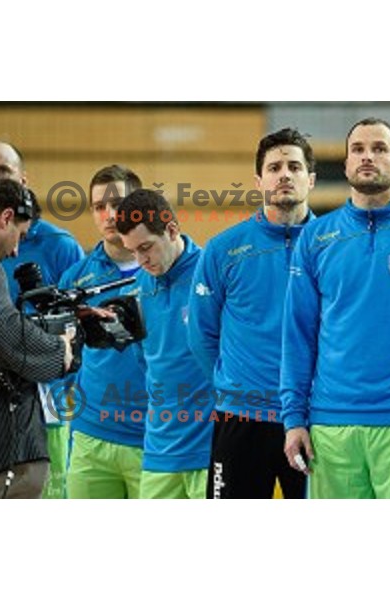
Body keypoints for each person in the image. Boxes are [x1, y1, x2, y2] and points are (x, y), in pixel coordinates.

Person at [282, 118, 390, 500]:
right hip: (331, 427)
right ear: (345, 164)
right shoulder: (315, 237)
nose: (367, 156)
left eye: (379, 148)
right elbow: (297, 335)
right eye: (357, 149)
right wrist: (294, 418)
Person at [188, 128, 316, 499]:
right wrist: (239, 383)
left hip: (315, 416)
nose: (285, 175)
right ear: (259, 181)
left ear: (311, 178)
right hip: (241, 417)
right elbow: (202, 336)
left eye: (294, 166)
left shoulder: (333, 245)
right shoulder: (223, 249)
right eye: (274, 167)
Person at [0, 141, 85, 499]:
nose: (16, 251)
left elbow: (73, 313)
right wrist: (56, 350)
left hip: (45, 405)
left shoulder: (60, 245)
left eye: (2, 171)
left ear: (22, 179)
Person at [117, 190, 214, 499]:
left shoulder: (212, 275)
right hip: (159, 451)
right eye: (132, 251)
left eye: (146, 247)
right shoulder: (138, 289)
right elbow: (146, 363)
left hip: (210, 449)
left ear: (172, 230)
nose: (141, 260)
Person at [60, 165, 147, 499]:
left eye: (118, 203)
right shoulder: (75, 278)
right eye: (99, 206)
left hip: (153, 439)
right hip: (90, 438)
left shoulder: (169, 270)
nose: (109, 214)